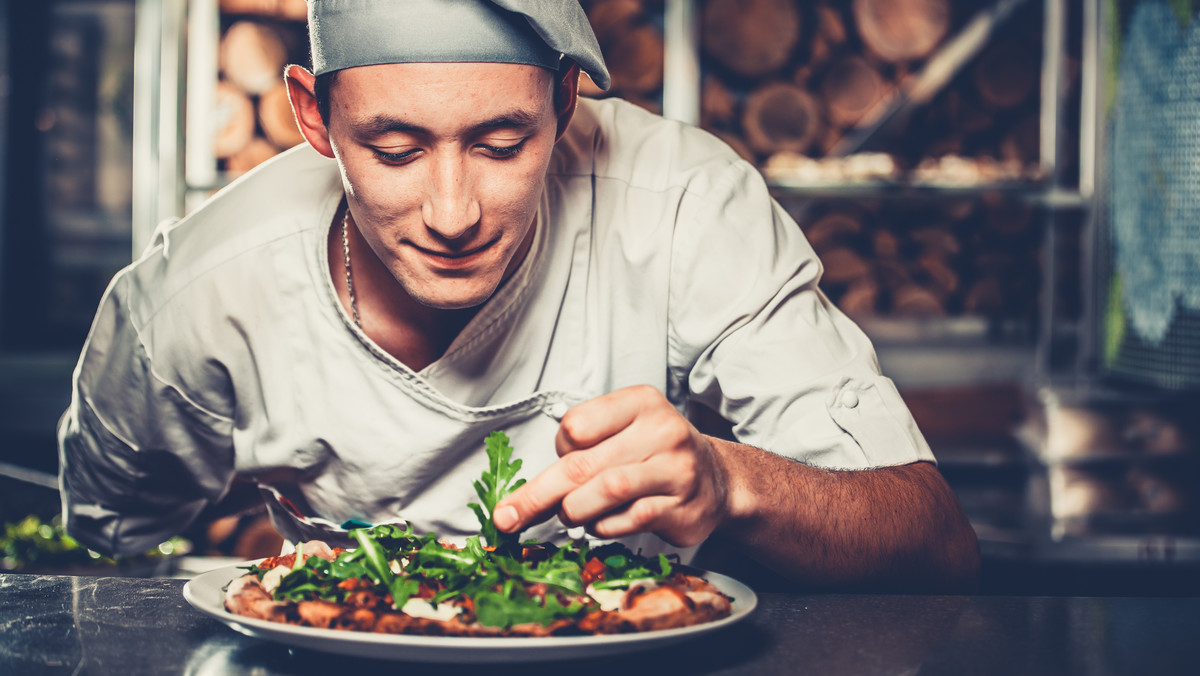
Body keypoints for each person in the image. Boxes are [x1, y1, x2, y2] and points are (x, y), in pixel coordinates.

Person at [58, 0, 979, 590]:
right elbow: (102, 574)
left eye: (502, 144)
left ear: (566, 103)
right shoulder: (191, 305)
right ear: (313, 117)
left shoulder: (685, 205)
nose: (453, 213)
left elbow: (936, 542)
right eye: (395, 149)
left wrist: (730, 479)